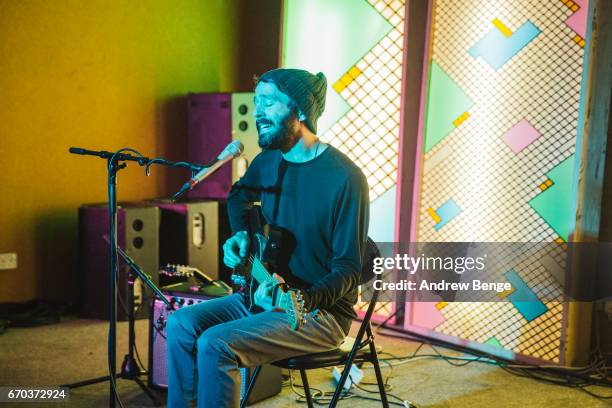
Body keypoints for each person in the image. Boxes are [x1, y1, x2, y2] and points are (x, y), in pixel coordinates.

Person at [166, 68, 370, 408]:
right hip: (264, 292)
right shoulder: (268, 162)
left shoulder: (346, 178)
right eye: (256, 101)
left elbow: (349, 267)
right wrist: (242, 234)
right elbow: (238, 196)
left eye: (270, 103)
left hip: (318, 313)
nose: (258, 111)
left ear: (301, 111)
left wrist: (304, 298)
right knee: (181, 324)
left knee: (216, 345)